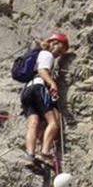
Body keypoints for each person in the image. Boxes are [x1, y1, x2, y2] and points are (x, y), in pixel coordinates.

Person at [21, 32, 69, 168]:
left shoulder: (37, 55)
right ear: (53, 43)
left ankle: (30, 156)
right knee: (53, 123)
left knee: (33, 125)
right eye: (59, 49)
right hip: (38, 87)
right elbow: (42, 70)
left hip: (26, 91)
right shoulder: (47, 54)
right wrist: (52, 83)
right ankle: (45, 153)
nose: (59, 54)